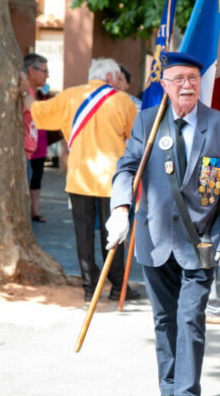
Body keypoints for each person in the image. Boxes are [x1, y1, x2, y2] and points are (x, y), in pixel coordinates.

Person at [105, 51, 220, 396]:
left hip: (200, 243)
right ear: (164, 85)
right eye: (179, 78)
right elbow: (127, 166)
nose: (187, 84)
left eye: (193, 77)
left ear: (200, 82)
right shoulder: (149, 122)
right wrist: (120, 207)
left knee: (190, 318)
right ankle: (167, 390)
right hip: (154, 240)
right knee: (164, 319)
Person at [20, 57, 141, 302]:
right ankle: (118, 286)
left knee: (83, 233)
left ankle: (90, 288)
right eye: (117, 79)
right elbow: (135, 136)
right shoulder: (122, 101)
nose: (118, 83)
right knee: (115, 233)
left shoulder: (69, 96)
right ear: (109, 77)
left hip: (79, 177)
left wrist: (25, 93)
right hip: (112, 179)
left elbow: (38, 113)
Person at [22, 53, 50, 222]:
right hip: (23, 152)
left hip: (32, 151)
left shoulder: (33, 92)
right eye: (44, 71)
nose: (47, 75)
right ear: (32, 70)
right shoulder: (24, 91)